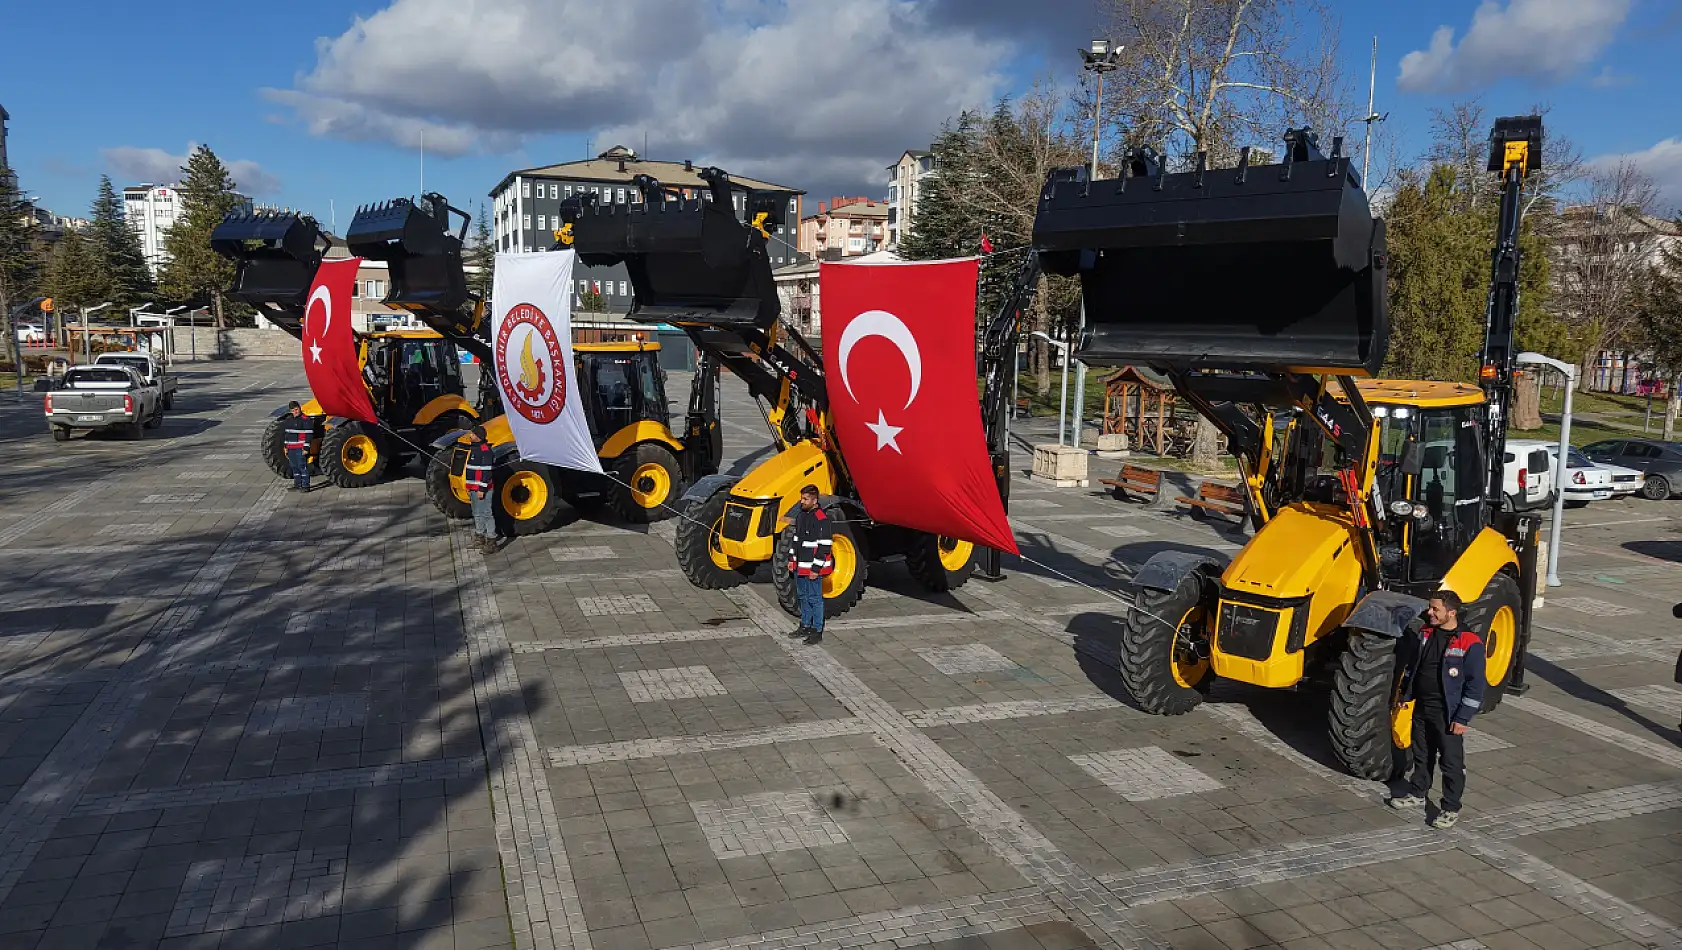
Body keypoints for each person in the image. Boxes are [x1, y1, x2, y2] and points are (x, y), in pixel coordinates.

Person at [1388, 589, 1486, 829]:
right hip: (1422, 708)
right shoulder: (1425, 633)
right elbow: (1414, 666)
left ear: (1451, 613)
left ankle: (1450, 807)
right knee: (1422, 755)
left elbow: (1476, 685)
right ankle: (1418, 792)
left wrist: (1463, 718)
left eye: (1435, 609)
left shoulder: (1469, 642)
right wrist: (1405, 693)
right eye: (1430, 608)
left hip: (1448, 714)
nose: (1429, 612)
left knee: (1451, 763)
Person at [787, 485, 833, 644]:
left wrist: (816, 569)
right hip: (800, 565)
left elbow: (825, 546)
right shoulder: (801, 516)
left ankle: (817, 630)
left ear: (815, 500)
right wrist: (792, 559)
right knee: (802, 596)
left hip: (813, 567)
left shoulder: (822, 519)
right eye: (802, 498)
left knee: (815, 598)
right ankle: (805, 625)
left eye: (805, 499)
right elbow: (796, 540)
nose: (802, 502)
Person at [464, 427, 499, 553]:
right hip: (473, 488)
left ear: (478, 436)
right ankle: (480, 536)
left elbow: (486, 472)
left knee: (486, 513)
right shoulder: (474, 449)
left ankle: (491, 540)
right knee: (476, 512)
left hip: (482, 489)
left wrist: (482, 489)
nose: (470, 436)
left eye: (472, 434)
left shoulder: (485, 451)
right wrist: (469, 486)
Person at [282, 402, 313, 492]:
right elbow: (287, 434)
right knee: (294, 466)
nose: (295, 412)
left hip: (300, 447)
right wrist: (285, 446)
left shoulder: (305, 420)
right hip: (291, 447)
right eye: (293, 410)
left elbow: (309, 434)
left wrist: (306, 448)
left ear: (299, 408)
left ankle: (305, 486)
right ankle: (297, 484)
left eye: (296, 409)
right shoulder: (289, 420)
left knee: (302, 466)